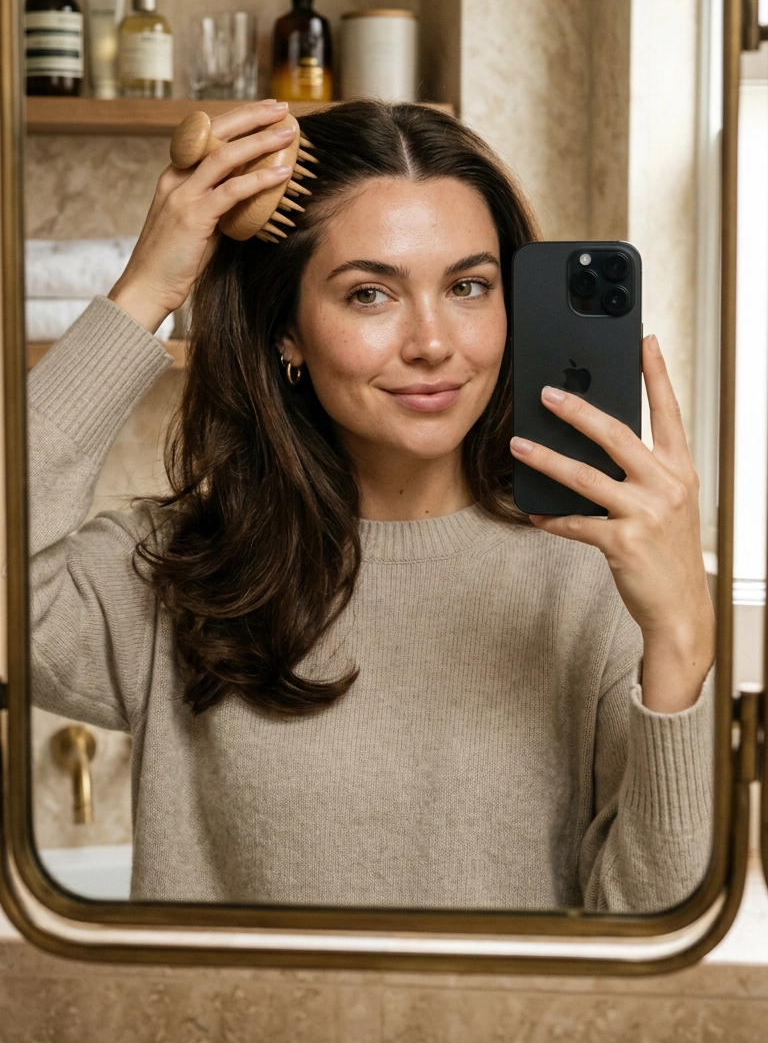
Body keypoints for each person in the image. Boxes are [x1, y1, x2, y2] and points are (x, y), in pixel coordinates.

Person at [29, 99, 714, 910]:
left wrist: (680, 640)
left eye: (468, 286)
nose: (432, 342)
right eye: (369, 295)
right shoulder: (173, 572)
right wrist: (148, 287)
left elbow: (650, 933)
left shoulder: (596, 578)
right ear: (287, 332)